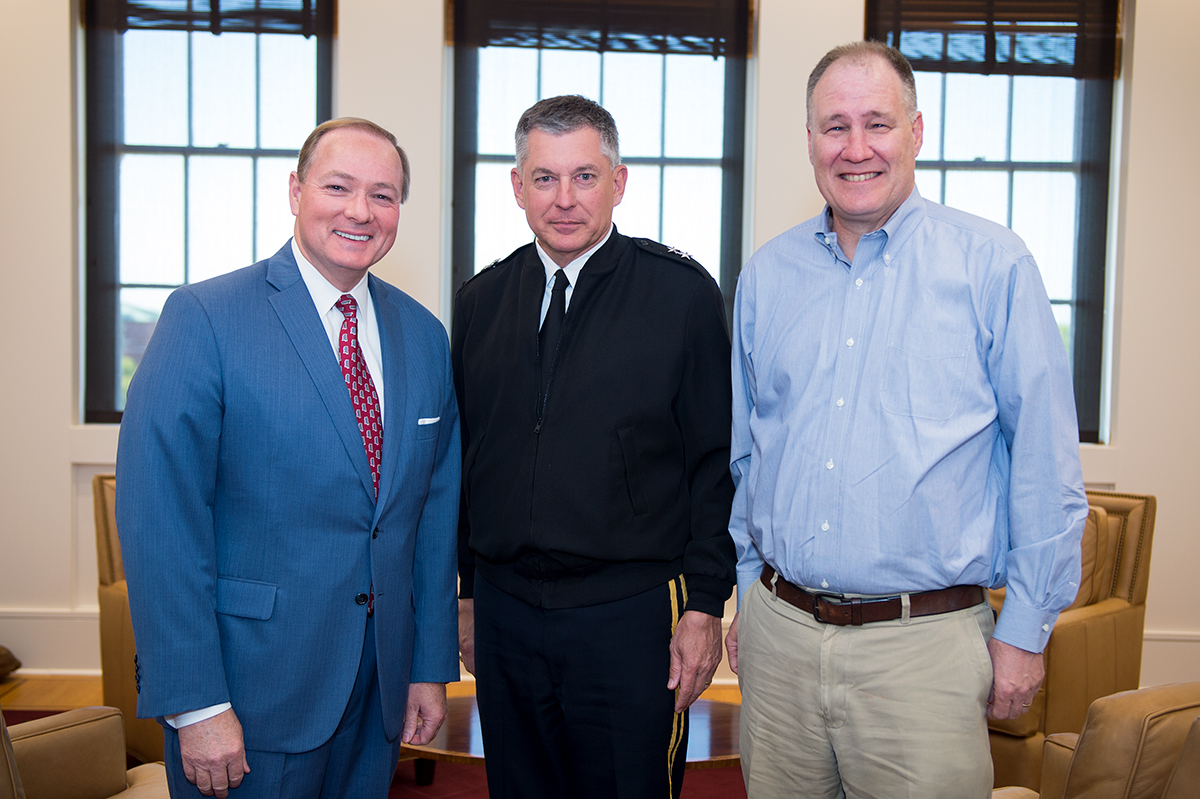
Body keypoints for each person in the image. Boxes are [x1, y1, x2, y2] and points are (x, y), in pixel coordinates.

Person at [726, 42, 1088, 798]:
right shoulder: (766, 276)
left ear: (916, 133)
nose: (856, 149)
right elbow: (748, 455)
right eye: (834, 127)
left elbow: (1045, 466)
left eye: (877, 124)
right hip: (780, 640)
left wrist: (1025, 631)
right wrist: (747, 592)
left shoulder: (994, 266)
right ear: (810, 139)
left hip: (923, 650)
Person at [116, 118, 460, 799]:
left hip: (378, 692)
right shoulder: (205, 317)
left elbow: (431, 516)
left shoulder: (423, 335)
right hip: (249, 694)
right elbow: (161, 523)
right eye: (339, 186)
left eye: (383, 194)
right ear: (296, 190)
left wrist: (427, 664)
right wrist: (197, 703)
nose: (360, 210)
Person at [451, 95, 736, 799]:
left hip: (631, 613)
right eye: (544, 178)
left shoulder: (681, 294)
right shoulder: (481, 301)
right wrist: (464, 594)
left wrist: (705, 605)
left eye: (584, 176)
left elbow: (715, 462)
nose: (564, 199)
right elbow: (465, 463)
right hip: (507, 611)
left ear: (619, 180)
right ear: (518, 186)